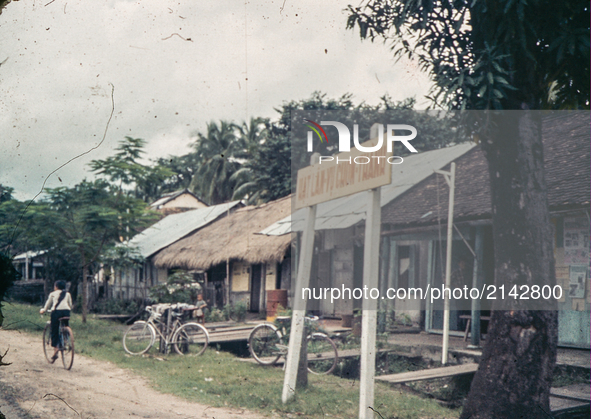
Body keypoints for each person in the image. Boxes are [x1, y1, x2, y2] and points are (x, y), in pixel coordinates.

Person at [39, 280, 73, 363]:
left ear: (56, 287)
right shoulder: (67, 294)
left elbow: (47, 305)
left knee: (54, 330)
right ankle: (66, 339)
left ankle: (56, 349)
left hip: (56, 312)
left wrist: (43, 310)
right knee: (65, 325)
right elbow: (70, 305)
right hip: (66, 312)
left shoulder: (52, 294)